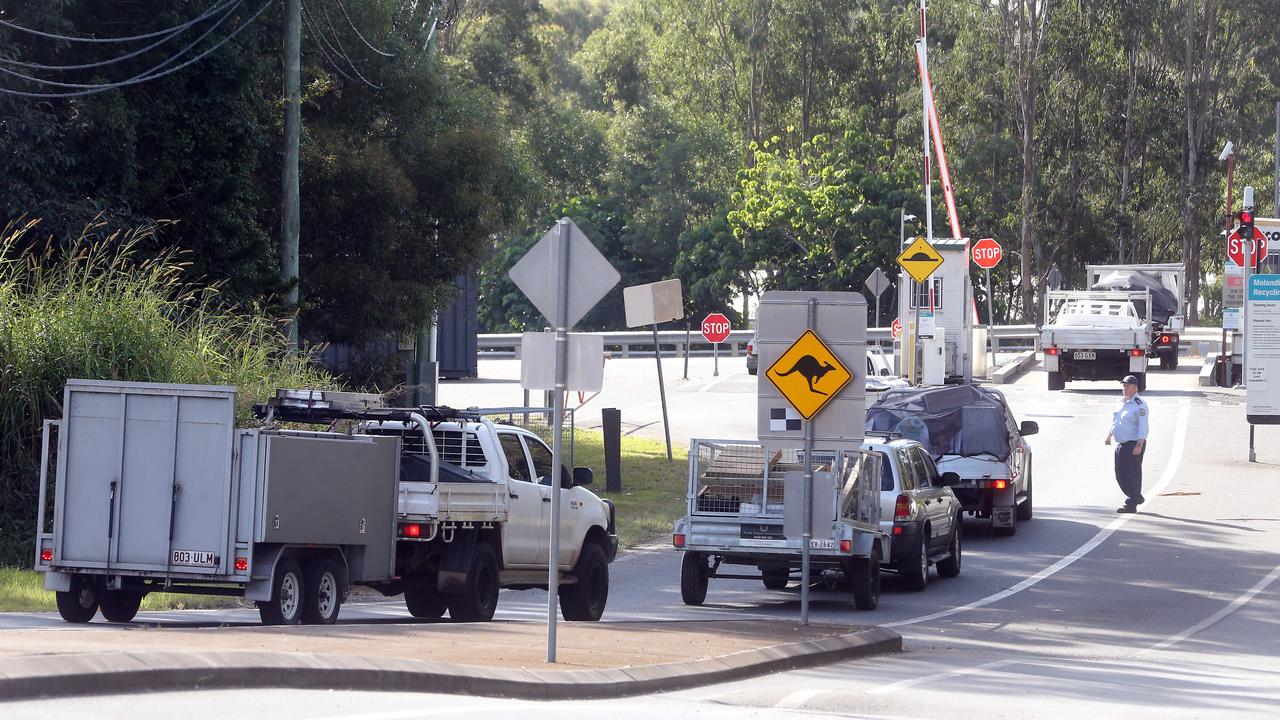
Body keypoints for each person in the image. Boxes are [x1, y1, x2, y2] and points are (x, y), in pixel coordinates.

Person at [1105, 375, 1149, 513]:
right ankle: (1136, 496)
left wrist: (1139, 445)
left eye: (1127, 386)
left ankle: (1131, 503)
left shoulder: (1140, 405)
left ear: (1135, 388)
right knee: (1120, 474)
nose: (1124, 388)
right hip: (1121, 444)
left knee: (1132, 474)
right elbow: (1116, 420)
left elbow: (1143, 426)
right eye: (1123, 385)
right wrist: (1109, 435)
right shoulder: (1121, 402)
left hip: (1133, 444)